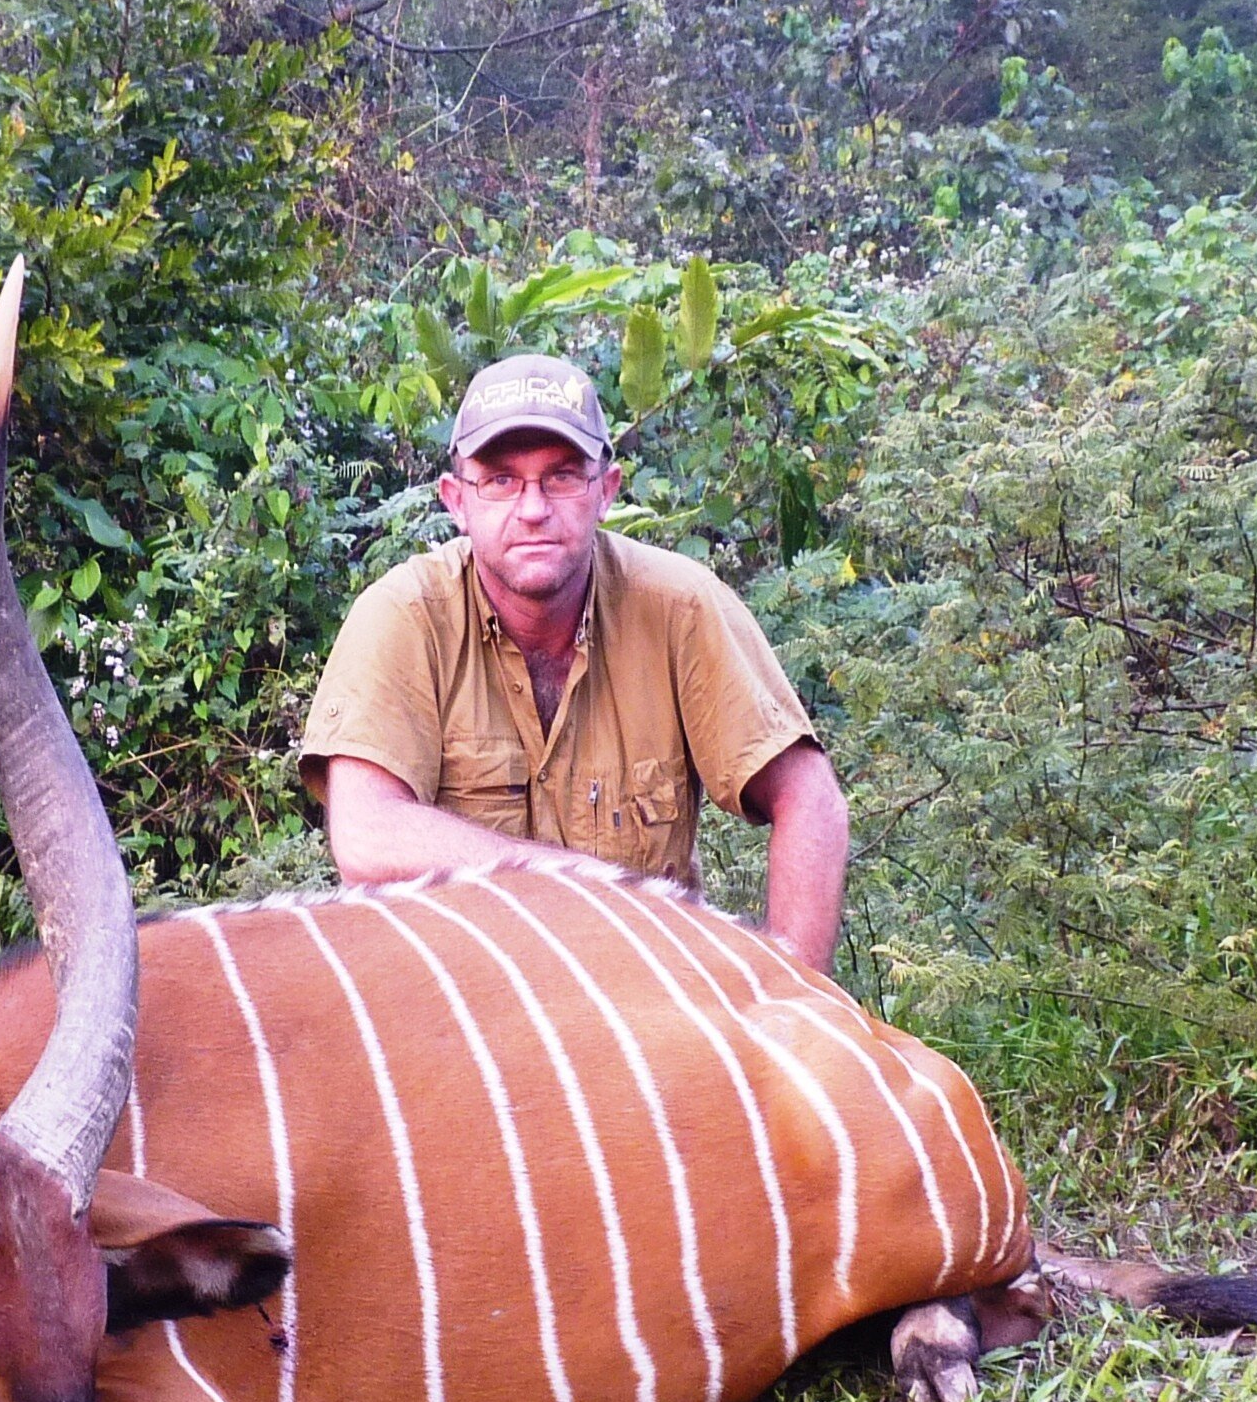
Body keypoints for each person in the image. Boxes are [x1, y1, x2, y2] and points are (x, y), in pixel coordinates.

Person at [298, 351, 850, 972]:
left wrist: (793, 1001)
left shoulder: (679, 607)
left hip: (639, 1003)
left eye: (561, 477)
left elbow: (809, 798)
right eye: (501, 480)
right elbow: (367, 835)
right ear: (457, 500)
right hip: (458, 1011)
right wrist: (583, 884)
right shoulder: (404, 615)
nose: (533, 509)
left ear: (605, 491)